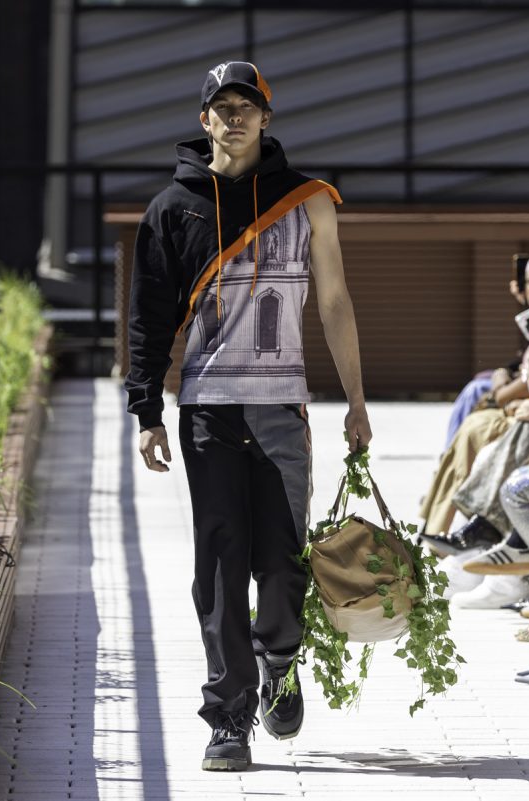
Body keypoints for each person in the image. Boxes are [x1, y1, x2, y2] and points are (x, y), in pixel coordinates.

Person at [124, 61, 371, 772]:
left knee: (284, 559)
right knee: (222, 566)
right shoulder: (171, 209)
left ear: (266, 118)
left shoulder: (306, 200)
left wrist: (357, 402)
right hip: (207, 409)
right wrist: (147, 410)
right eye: (221, 107)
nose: (234, 117)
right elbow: (147, 317)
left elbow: (334, 303)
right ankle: (228, 716)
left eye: (247, 107)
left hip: (281, 408)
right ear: (203, 121)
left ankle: (280, 666)